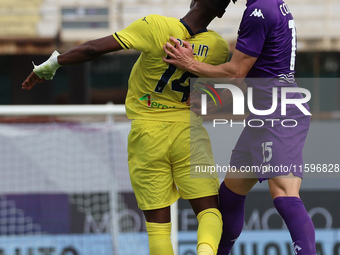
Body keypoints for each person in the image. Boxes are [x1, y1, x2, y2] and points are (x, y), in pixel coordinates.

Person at [22, 1, 235, 254]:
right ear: (221, 12)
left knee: (158, 228)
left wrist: (53, 64)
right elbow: (212, 88)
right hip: (188, 132)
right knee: (210, 212)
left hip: (147, 134)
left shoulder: (157, 26)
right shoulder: (219, 48)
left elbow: (92, 49)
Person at [163, 0, 316, 254]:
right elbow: (256, 73)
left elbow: (236, 72)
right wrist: (215, 101)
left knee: (284, 195)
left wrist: (190, 63)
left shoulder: (259, 10)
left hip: (280, 115)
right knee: (231, 194)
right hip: (264, 114)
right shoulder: (269, 5)